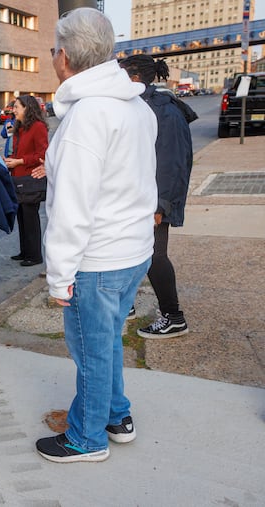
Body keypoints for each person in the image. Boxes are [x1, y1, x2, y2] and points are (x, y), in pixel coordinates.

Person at [36, 8, 158, 463]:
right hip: (132, 250)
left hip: (98, 257)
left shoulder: (87, 116)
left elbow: (71, 207)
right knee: (105, 342)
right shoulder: (136, 106)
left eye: (53, 51)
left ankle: (86, 439)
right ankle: (116, 416)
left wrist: (59, 277)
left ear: (63, 57)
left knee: (91, 349)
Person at [120, 55, 193, 339]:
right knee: (132, 251)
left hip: (154, 200)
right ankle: (127, 305)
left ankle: (174, 318)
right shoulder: (142, 105)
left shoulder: (163, 109)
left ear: (135, 77)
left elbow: (172, 162)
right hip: (138, 196)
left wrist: (160, 205)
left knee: (155, 256)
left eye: (120, 74)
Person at [2, 95, 49, 267]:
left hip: (31, 179)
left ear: (27, 108)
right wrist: (9, 160)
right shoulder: (19, 127)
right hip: (17, 178)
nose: (13, 110)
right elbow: (18, 151)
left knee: (30, 218)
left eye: (16, 107)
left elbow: (42, 154)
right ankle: (25, 251)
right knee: (21, 217)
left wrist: (20, 161)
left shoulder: (38, 127)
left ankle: (35, 255)